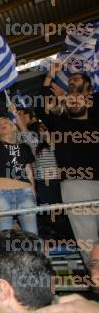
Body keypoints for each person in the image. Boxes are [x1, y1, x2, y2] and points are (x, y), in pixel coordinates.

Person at [40, 65, 99, 266]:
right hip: (75, 186)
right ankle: (96, 278)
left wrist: (70, 92)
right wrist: (49, 76)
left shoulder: (96, 121)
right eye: (70, 96)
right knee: (87, 239)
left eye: (77, 90)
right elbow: (42, 108)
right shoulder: (61, 125)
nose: (73, 96)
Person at [0, 96, 38, 235]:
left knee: (32, 233)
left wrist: (33, 190)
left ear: (12, 126)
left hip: (25, 191)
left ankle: (34, 257)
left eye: (6, 122)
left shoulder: (24, 146)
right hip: (1, 192)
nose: (2, 124)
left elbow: (28, 170)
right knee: (5, 234)